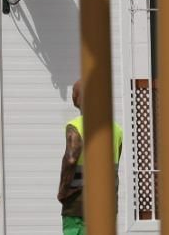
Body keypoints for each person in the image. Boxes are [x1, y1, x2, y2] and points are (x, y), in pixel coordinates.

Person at [57, 78, 124, 235]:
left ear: (79, 98)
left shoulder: (75, 126)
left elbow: (71, 158)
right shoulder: (117, 130)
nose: (72, 95)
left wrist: (63, 190)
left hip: (79, 206)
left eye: (74, 92)